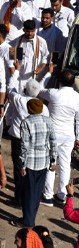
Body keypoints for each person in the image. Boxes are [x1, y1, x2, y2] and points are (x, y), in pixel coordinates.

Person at [37, 65, 79, 206]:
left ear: (59, 80)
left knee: (51, 164)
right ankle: (61, 195)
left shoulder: (54, 93)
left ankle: (48, 196)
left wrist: (48, 74)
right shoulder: (77, 97)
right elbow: (78, 120)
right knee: (65, 165)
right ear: (73, 82)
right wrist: (78, 137)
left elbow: (38, 88)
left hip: (53, 133)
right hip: (69, 135)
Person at [18, 98, 57, 228]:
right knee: (37, 191)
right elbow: (53, 142)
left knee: (28, 191)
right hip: (44, 160)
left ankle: (28, 221)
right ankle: (31, 217)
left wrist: (22, 165)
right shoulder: (48, 121)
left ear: (29, 109)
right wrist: (53, 161)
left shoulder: (26, 122)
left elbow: (24, 146)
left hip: (30, 162)